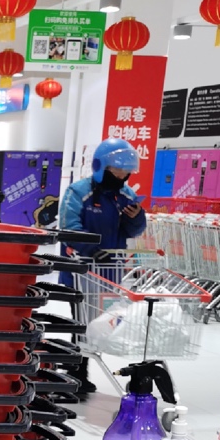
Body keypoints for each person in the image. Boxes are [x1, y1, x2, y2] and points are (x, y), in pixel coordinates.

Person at [58, 138, 148, 395]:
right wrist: (92, 249)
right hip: (81, 270)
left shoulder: (126, 195)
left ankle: (79, 370)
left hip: (109, 273)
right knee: (80, 322)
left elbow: (134, 231)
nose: (121, 177)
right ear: (101, 167)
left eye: (125, 173)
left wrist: (136, 217)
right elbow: (68, 228)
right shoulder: (78, 192)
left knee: (98, 323)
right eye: (116, 172)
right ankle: (77, 372)